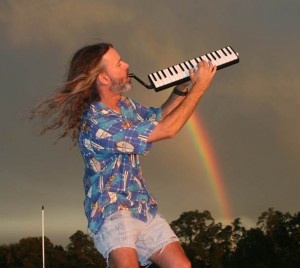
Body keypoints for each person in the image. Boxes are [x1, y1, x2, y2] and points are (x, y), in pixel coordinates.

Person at [32, 42, 216, 268]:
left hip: (140, 205)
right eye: (119, 64)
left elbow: (158, 118)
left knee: (182, 266)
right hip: (111, 209)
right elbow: (167, 130)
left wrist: (182, 87)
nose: (127, 64)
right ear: (104, 79)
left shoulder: (125, 104)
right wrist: (200, 88)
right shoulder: (98, 123)